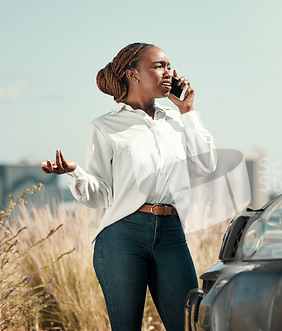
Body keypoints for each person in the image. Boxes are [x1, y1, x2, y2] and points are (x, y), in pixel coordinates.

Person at [41, 42, 217, 330]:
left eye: (169, 66)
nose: (168, 73)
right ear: (132, 75)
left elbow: (206, 165)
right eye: (159, 65)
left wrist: (188, 111)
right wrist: (75, 173)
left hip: (172, 233)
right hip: (122, 234)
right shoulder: (104, 127)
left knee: (191, 324)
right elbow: (102, 195)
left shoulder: (177, 120)